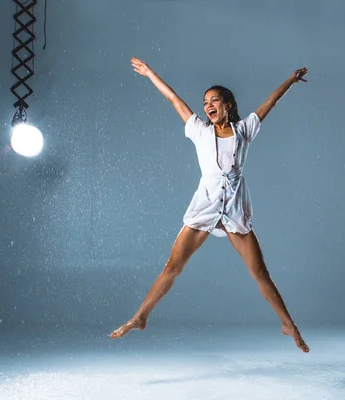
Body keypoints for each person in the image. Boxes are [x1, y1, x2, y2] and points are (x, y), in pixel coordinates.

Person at [110, 57, 310, 353]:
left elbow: (271, 102)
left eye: (214, 100)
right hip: (204, 207)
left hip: (234, 210)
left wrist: (290, 82)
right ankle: (140, 317)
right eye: (205, 102)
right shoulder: (199, 130)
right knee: (172, 268)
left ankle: (288, 325)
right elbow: (173, 99)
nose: (208, 106)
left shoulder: (244, 130)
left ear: (228, 104)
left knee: (260, 273)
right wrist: (151, 73)